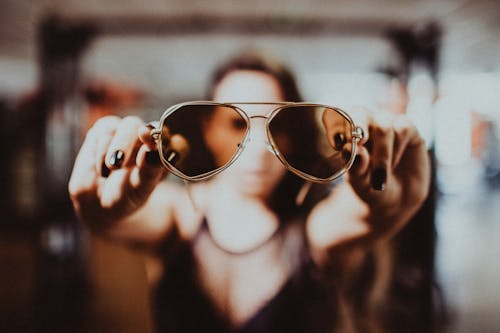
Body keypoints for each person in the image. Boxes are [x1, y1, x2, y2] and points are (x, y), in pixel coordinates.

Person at [68, 51, 430, 333]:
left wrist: (394, 201)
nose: (258, 147)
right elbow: (121, 219)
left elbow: (364, 216)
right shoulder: (180, 215)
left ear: (295, 134)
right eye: (236, 123)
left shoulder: (310, 228)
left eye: (278, 124)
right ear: (208, 129)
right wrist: (99, 210)